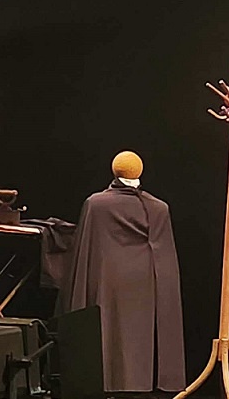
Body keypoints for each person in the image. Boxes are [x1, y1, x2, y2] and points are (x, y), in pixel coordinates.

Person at [58, 151, 186, 395]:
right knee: (138, 331)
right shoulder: (159, 208)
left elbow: (85, 250)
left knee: (109, 328)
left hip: (108, 278)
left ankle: (109, 381)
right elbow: (166, 259)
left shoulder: (96, 204)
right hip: (147, 281)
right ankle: (143, 381)